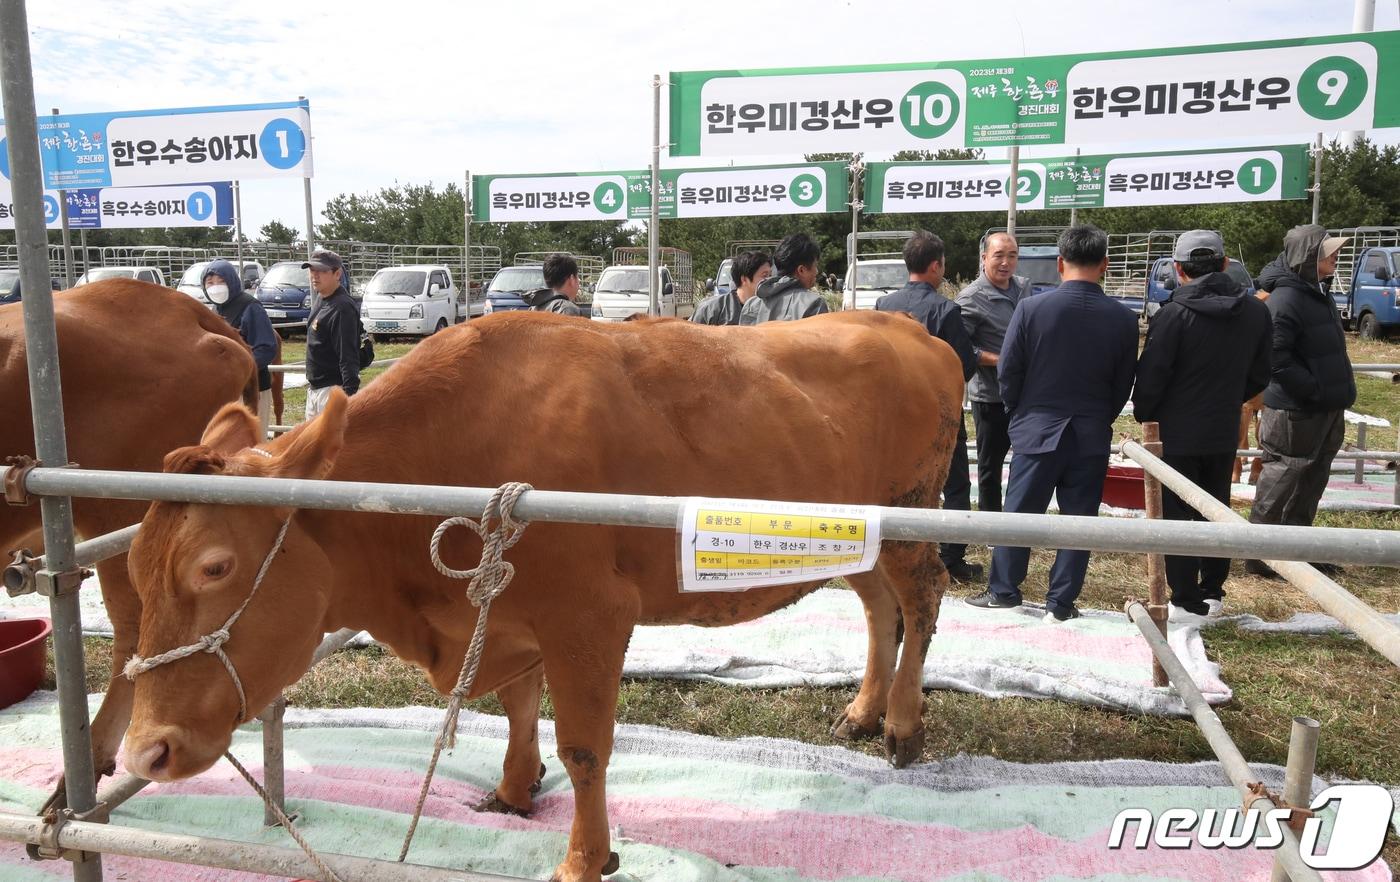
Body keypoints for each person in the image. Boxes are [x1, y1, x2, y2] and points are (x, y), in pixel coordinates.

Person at [967, 225, 1138, 623]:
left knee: (1020, 515)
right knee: (1079, 523)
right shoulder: (1123, 319)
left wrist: (1020, 414)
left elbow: (1010, 371)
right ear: (1105, 266)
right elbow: (1122, 383)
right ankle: (1060, 602)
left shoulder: (1032, 308)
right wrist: (1099, 418)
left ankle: (1004, 591)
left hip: (1037, 427)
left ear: (1060, 264)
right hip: (1091, 431)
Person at [1132, 231, 1272, 622]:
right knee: (1216, 504)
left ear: (1178, 270)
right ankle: (1213, 588)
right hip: (1223, 425)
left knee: (1176, 510)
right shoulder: (1255, 312)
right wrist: (1229, 398)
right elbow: (1261, 372)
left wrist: (1147, 413)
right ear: (1226, 264)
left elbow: (1153, 376)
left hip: (1176, 429)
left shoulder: (1173, 315)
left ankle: (1186, 595)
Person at [1246, 225, 1355, 579]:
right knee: (1282, 477)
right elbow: (1276, 359)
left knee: (1313, 477)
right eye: (1329, 251)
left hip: (1322, 406)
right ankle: (1260, 556)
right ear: (1309, 257)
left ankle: (1298, 551)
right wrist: (1314, 389)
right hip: (1296, 409)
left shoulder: (1316, 292)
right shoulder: (1287, 299)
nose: (1336, 255)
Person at [875, 231, 981, 583]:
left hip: (891, 412)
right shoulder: (946, 310)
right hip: (936, 412)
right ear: (936, 266)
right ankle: (951, 557)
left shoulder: (882, 307)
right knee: (953, 484)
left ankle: (889, 549)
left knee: (894, 481)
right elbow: (963, 365)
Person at [956, 232, 1031, 513]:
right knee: (991, 465)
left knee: (1024, 459)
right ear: (984, 257)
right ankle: (991, 527)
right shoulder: (971, 297)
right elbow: (962, 348)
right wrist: (1001, 360)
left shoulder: (1023, 287)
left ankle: (1016, 519)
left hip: (1024, 393)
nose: (1006, 262)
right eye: (999, 255)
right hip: (990, 396)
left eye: (1012, 256)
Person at [203, 259, 278, 434]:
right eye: (210, 282)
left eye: (221, 281)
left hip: (252, 389)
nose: (215, 287)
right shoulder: (216, 310)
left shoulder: (250, 307)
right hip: (226, 391)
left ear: (232, 281)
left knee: (252, 442)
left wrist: (239, 368)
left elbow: (266, 348)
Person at [303, 249, 361, 420]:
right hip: (316, 389)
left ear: (337, 273)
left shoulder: (342, 307)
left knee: (332, 445)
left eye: (321, 271)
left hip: (331, 390)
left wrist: (348, 397)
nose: (315, 275)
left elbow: (347, 355)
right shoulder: (322, 298)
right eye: (312, 270)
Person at [739, 233, 830, 325]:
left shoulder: (751, 305)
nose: (817, 271)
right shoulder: (814, 304)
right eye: (815, 266)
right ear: (801, 270)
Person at [692, 251, 771, 326]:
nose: (770, 280)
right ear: (744, 279)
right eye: (764, 276)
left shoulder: (772, 309)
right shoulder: (711, 309)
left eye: (770, 275)